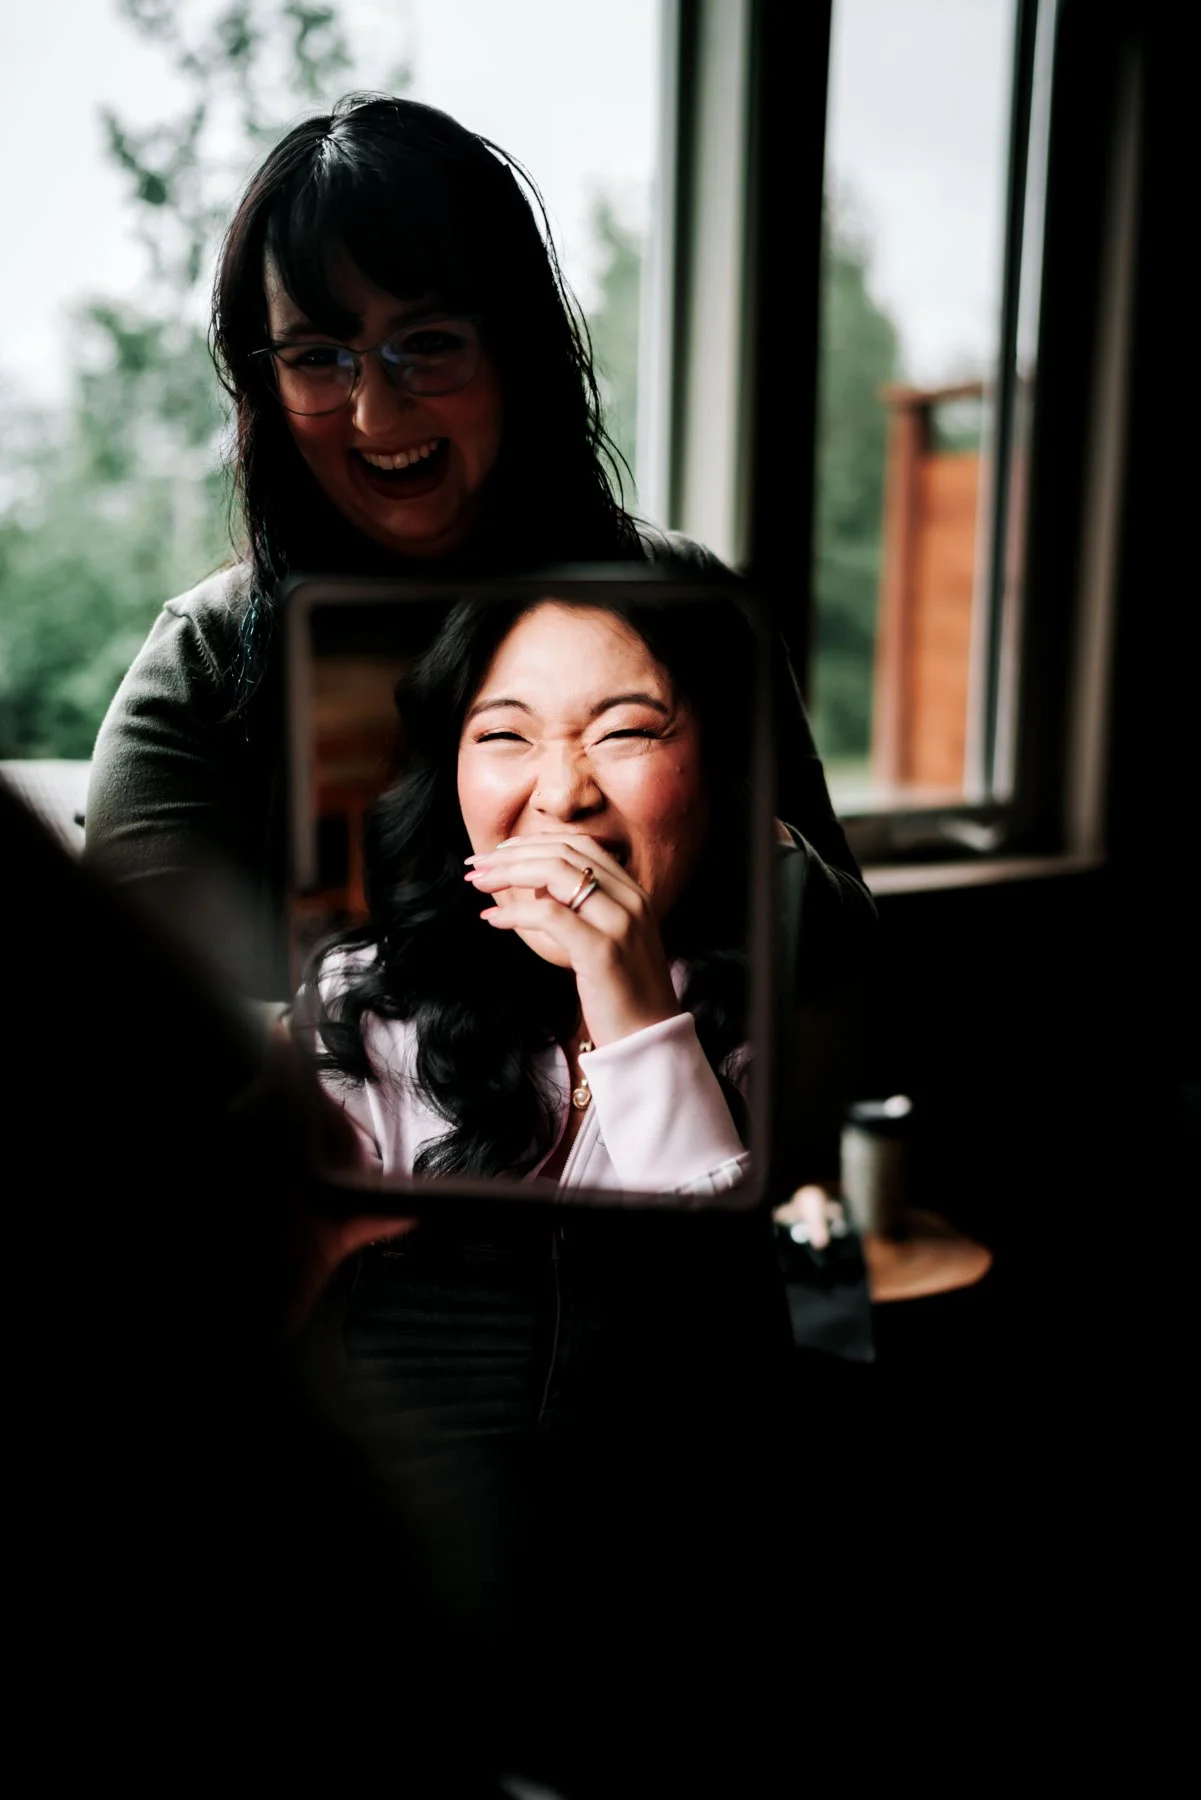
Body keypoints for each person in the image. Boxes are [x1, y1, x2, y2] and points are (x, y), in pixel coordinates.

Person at [82, 90, 874, 1011]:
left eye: (427, 346)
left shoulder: (681, 604)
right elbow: (135, 1029)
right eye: (316, 358)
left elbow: (846, 969)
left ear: (519, 351)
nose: (376, 414)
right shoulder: (208, 660)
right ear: (264, 380)